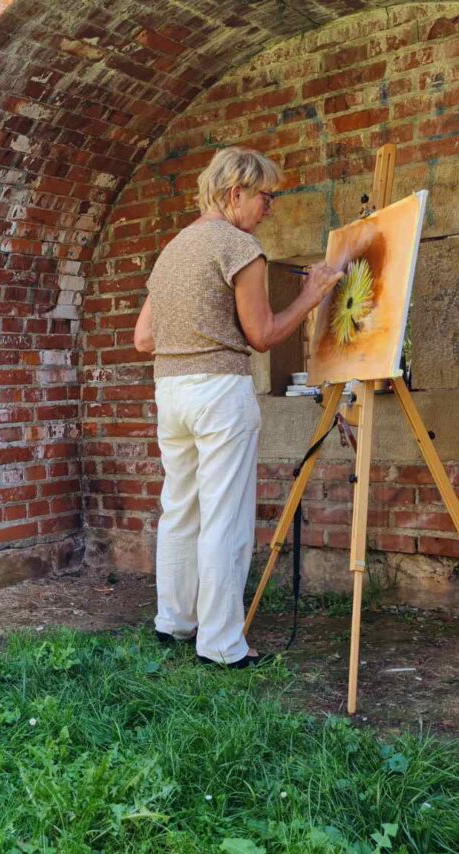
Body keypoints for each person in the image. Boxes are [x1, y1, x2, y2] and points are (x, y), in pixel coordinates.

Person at [132, 146, 357, 668]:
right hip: (218, 393)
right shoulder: (240, 247)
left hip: (171, 392)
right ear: (236, 193)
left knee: (180, 508)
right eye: (265, 196)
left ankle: (174, 622)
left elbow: (144, 338)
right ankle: (222, 645)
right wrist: (316, 294)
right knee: (225, 519)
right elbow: (263, 336)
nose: (269, 207)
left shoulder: (172, 250)